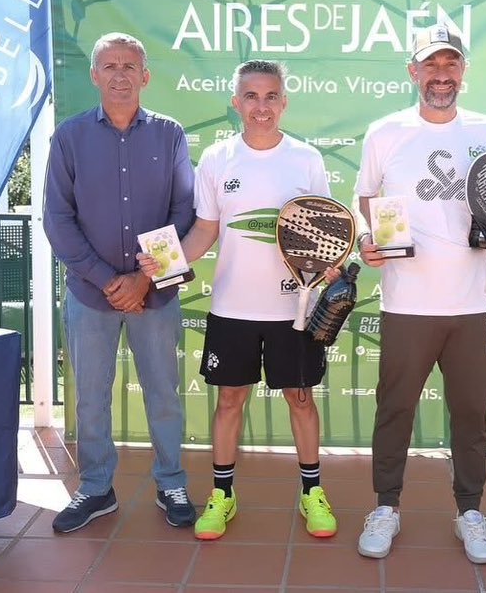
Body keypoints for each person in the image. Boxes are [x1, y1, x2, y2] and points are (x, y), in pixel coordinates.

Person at [138, 60, 338, 541]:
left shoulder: (306, 159)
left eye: (271, 96)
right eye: (251, 96)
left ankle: (313, 493)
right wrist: (166, 265)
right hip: (232, 309)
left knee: (301, 398)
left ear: (284, 102)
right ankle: (222, 495)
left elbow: (329, 229)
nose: (262, 106)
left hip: (295, 310)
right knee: (230, 400)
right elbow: (206, 228)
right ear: (236, 102)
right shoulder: (216, 159)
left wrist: (329, 261)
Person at [353, 23, 486, 565]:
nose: (441, 75)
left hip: (471, 304)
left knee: (470, 413)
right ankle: (386, 507)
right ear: (413, 72)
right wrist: (368, 239)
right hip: (406, 304)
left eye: (451, 65)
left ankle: (470, 510)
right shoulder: (385, 132)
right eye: (431, 65)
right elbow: (364, 199)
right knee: (394, 409)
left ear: (463, 72)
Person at [43, 32, 197, 533]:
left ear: (145, 76)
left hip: (157, 293)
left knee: (164, 393)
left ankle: (171, 481)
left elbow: (184, 210)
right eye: (109, 66)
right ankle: (95, 488)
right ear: (94, 76)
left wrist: (143, 281)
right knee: (90, 395)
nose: (120, 75)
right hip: (92, 294)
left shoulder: (170, 135)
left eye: (130, 65)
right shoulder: (68, 137)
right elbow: (57, 220)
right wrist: (112, 280)